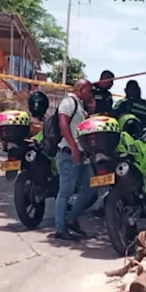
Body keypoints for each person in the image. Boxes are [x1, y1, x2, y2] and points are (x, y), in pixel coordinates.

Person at [53, 79, 97, 241]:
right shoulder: (68, 101)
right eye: (88, 90)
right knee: (65, 191)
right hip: (69, 154)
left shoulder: (80, 105)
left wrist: (91, 110)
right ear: (80, 89)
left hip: (82, 155)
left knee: (90, 188)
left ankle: (71, 219)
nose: (90, 93)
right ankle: (60, 229)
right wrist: (73, 147)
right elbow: (63, 124)